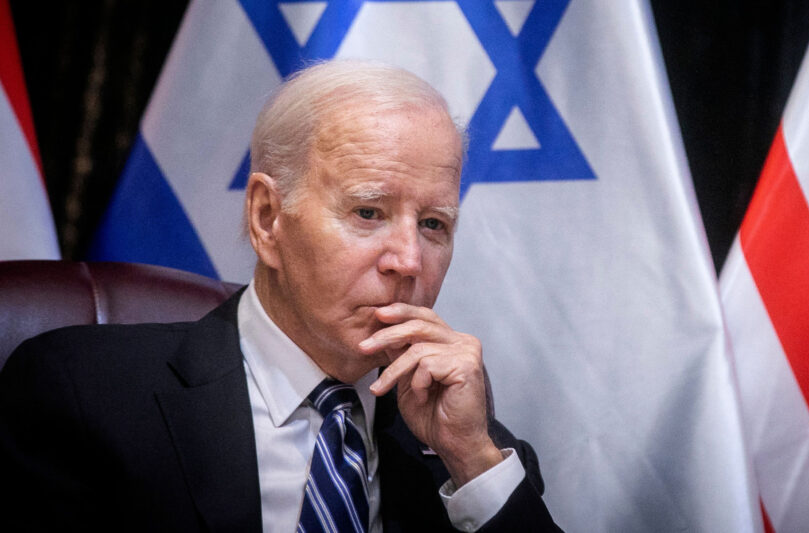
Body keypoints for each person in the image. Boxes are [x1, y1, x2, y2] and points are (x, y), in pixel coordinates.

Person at [0, 60, 559, 532]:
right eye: (368, 212)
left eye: (434, 224)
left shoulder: (466, 447)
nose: (409, 261)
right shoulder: (83, 392)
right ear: (268, 218)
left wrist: (473, 460)